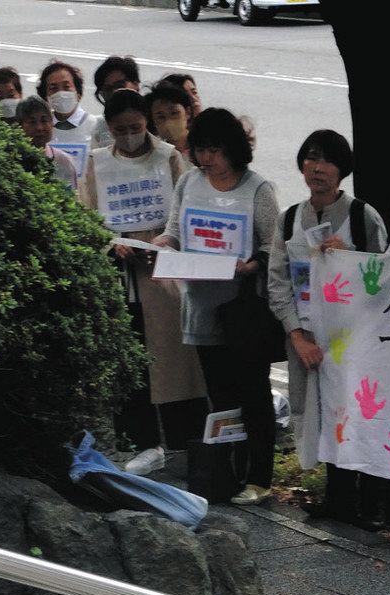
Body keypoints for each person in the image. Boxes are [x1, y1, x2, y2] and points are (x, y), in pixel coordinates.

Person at [267, 129, 390, 529]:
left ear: (342, 170)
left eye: (327, 161)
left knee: (362, 412)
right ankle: (337, 499)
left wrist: (351, 258)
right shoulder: (289, 219)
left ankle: (370, 503)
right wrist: (296, 335)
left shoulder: (362, 216)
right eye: (310, 158)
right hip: (308, 339)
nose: (317, 168)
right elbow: (278, 282)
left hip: (357, 341)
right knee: (320, 415)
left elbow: (386, 278)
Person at [155, 107, 281, 506]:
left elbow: (274, 247)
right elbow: (175, 228)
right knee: (221, 398)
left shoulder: (256, 189)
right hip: (200, 305)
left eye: (214, 151)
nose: (206, 159)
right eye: (200, 150)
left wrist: (251, 266)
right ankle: (227, 474)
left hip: (243, 312)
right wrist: (163, 244)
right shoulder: (190, 182)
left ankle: (259, 476)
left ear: (233, 149)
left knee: (253, 395)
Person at [80, 90, 208, 474]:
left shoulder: (168, 156)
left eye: (136, 127)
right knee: (131, 358)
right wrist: (110, 244)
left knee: (173, 358)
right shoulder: (97, 163)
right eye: (121, 130)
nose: (129, 136)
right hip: (121, 272)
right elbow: (84, 216)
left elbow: (187, 211)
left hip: (162, 270)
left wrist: (165, 240)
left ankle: (183, 439)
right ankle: (140, 441)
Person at [36, 60, 99, 180]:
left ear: (78, 93)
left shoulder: (94, 125)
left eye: (66, 87)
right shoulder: (41, 130)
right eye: (53, 88)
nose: (61, 93)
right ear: (45, 96)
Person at [16, 96, 79, 189]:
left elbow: (72, 199)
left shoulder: (64, 162)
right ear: (20, 126)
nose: (39, 128)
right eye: (32, 122)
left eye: (44, 120)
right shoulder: (12, 162)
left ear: (52, 123)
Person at [90, 56, 140, 149]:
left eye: (120, 85)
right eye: (108, 89)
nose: (115, 92)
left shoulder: (158, 120)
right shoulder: (95, 130)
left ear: (136, 84)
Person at [147, 81, 195, 157]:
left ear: (187, 112)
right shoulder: (154, 155)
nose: (168, 121)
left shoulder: (204, 148)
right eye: (161, 117)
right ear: (153, 121)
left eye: (174, 113)